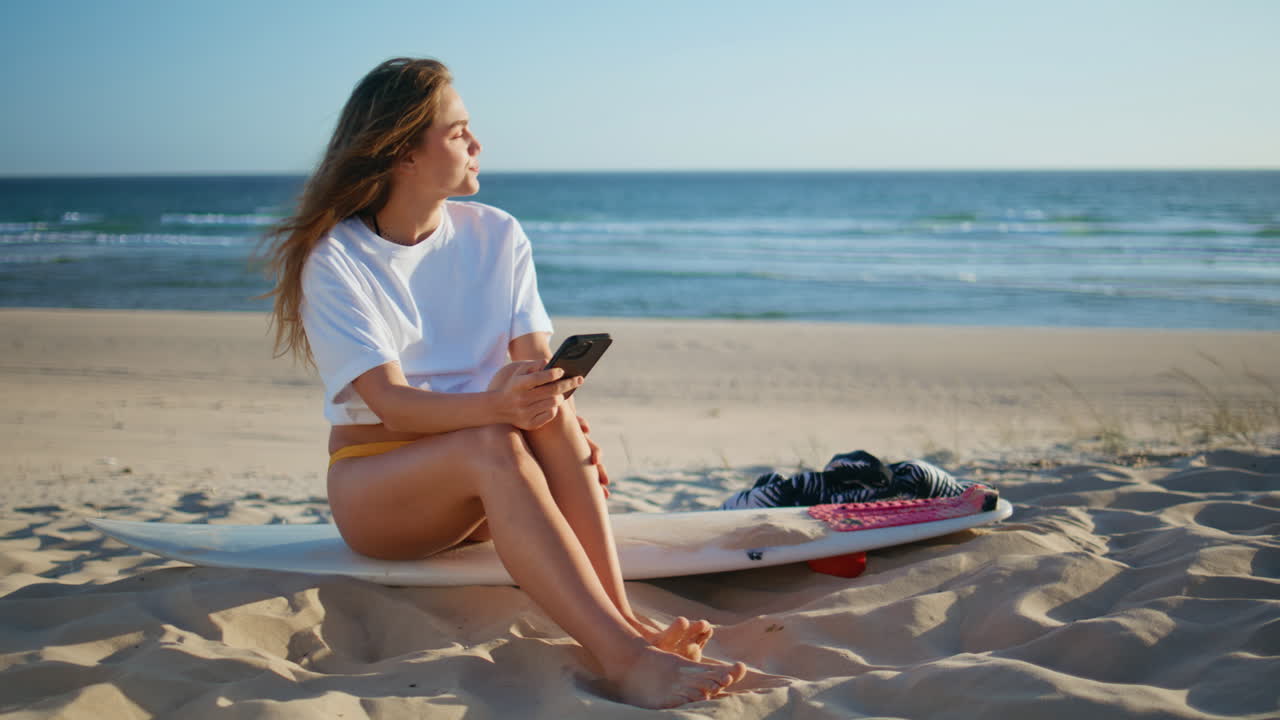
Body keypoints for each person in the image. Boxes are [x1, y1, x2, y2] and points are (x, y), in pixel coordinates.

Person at [262, 57, 746, 709]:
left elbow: (533, 368)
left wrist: (548, 417)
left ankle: (629, 623)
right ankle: (622, 657)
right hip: (381, 489)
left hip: (491, 483)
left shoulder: (497, 233)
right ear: (403, 151)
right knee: (495, 438)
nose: (478, 145)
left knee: (547, 413)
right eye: (459, 132)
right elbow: (389, 404)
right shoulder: (339, 260)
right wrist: (501, 409)